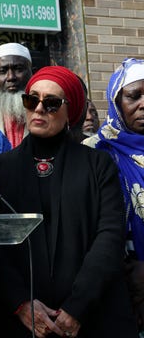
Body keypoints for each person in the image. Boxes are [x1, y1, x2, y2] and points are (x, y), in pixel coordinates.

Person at [0, 65, 137, 338]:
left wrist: (78, 305)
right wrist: (21, 302)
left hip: (93, 314)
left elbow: (110, 235)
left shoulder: (97, 163)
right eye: (32, 100)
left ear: (72, 111)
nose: (40, 109)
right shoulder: (0, 168)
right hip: (22, 321)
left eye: (52, 103)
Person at [83, 58, 144, 333]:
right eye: (134, 96)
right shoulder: (95, 151)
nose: (143, 104)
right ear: (116, 101)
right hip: (119, 280)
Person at [0, 42, 33, 148]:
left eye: (19, 69)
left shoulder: (44, 112)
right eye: (3, 71)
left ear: (32, 73)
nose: (11, 77)